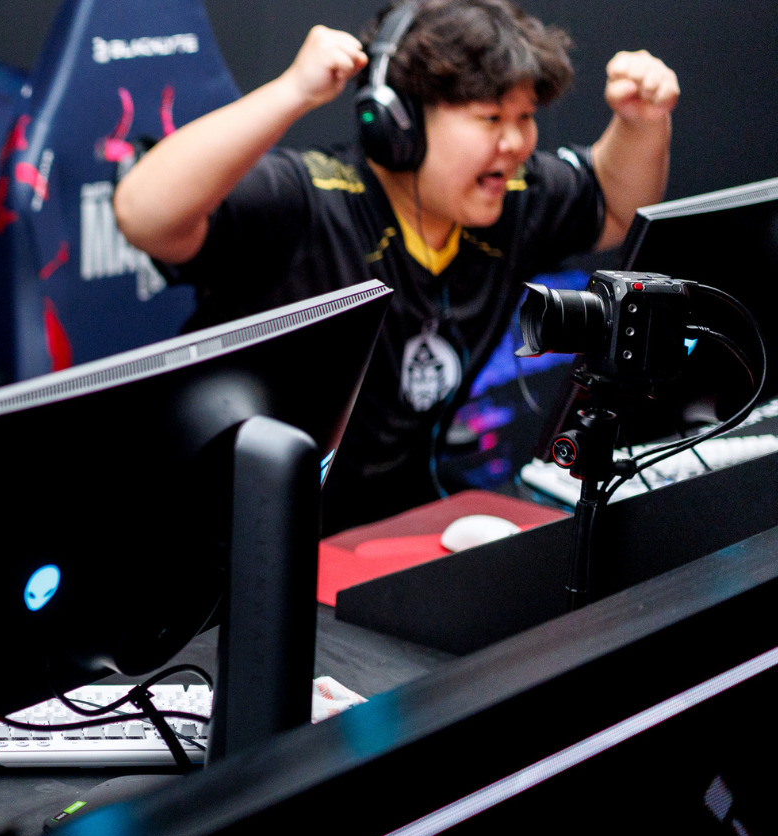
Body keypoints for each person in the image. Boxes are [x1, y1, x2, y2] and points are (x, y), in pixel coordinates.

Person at [112, 0, 680, 532]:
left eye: (525, 116)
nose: (515, 144)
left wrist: (642, 122)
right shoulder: (308, 200)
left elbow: (614, 208)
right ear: (400, 122)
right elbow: (144, 215)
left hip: (387, 530)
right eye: (490, 117)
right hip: (235, 532)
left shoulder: (510, 198)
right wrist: (293, 90)